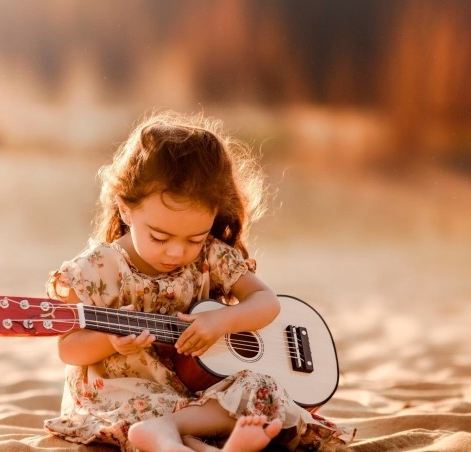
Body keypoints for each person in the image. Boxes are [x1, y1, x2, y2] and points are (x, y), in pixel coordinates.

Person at [43, 110, 354, 451]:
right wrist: (110, 341)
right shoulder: (95, 270)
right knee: (148, 408)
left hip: (199, 394)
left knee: (263, 389)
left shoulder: (211, 255)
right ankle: (188, 440)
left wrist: (222, 321)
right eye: (159, 237)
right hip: (124, 391)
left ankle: (168, 432)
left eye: (194, 238)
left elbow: (266, 302)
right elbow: (68, 348)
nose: (177, 252)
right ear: (126, 209)